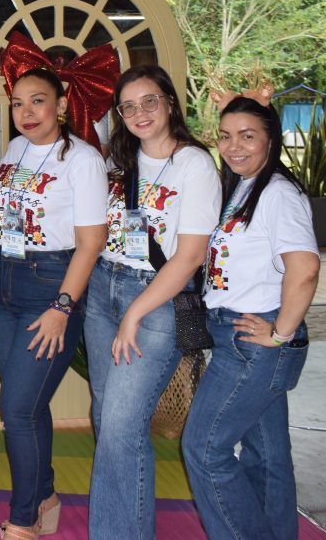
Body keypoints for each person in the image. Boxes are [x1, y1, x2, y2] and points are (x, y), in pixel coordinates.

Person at [84, 64, 221, 539]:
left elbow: (190, 257)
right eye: (128, 107)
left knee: (121, 426)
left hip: (155, 298)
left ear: (169, 102)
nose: (140, 113)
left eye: (149, 101)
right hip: (103, 287)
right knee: (106, 417)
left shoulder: (194, 165)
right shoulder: (119, 160)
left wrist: (135, 314)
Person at [183, 95, 319, 540]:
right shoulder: (244, 186)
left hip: (254, 340)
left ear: (270, 139)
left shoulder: (277, 193)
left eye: (247, 136)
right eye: (225, 136)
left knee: (204, 449)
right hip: (240, 334)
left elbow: (305, 268)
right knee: (266, 455)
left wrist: (280, 334)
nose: (233, 147)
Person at [0, 68, 107, 540]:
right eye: (17, 103)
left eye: (37, 100)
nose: (26, 112)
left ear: (60, 104)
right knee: (29, 406)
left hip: (50, 284)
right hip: (3, 280)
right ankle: (46, 496)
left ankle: (24, 518)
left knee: (17, 410)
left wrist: (62, 306)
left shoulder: (82, 159)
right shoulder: (15, 149)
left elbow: (92, 241)